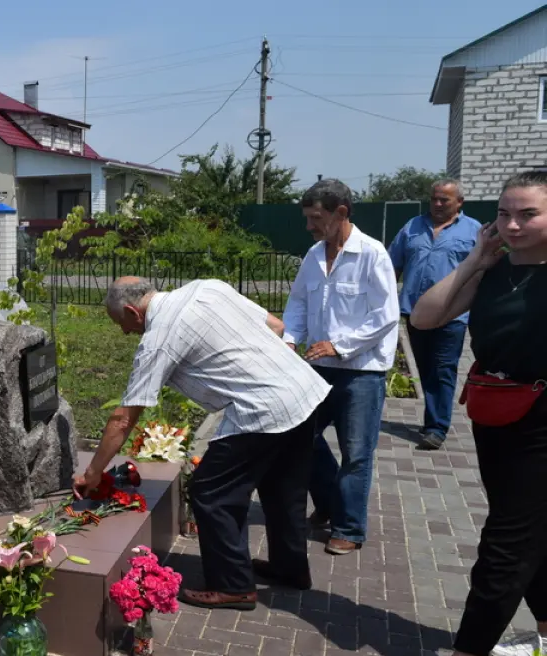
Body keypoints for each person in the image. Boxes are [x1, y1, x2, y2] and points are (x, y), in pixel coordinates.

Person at [74, 276, 331, 610]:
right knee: (284, 489)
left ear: (131, 312)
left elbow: (123, 419)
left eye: (121, 324)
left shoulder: (158, 339)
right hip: (302, 391)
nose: (124, 332)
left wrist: (94, 471)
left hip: (263, 409)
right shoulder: (206, 287)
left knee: (212, 492)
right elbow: (277, 326)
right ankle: (290, 568)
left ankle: (233, 586)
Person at [413, 171, 547, 656]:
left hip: (542, 421)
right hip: (495, 413)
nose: (512, 225)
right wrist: (474, 261)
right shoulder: (494, 272)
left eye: (528, 213)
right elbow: (424, 318)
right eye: (505, 214)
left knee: (506, 540)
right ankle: (545, 640)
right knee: (534, 533)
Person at [281, 179, 399, 556]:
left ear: (341, 213)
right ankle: (331, 503)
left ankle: (349, 528)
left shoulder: (372, 254)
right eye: (308, 218)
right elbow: (298, 303)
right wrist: (288, 341)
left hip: (361, 370)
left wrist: (340, 345)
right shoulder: (314, 255)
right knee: (302, 438)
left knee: (356, 452)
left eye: (316, 218)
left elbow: (386, 315)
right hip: (319, 368)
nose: (310, 226)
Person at [388, 179, 482, 450]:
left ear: (459, 202)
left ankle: (436, 427)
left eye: (445, 200)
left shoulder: (473, 230)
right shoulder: (412, 227)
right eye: (434, 199)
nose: (438, 204)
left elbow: (481, 272)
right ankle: (433, 418)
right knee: (425, 368)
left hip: (452, 314)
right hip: (415, 312)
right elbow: (392, 264)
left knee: (442, 369)